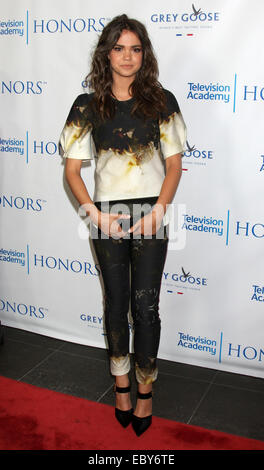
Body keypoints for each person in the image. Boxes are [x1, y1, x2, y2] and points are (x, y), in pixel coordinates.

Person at [59, 14, 186, 436]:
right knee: (115, 303)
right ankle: (121, 386)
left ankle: (146, 390)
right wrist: (93, 214)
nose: (127, 56)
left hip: (154, 213)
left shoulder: (162, 100)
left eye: (135, 48)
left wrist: (159, 211)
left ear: (143, 54)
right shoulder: (86, 105)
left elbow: (174, 164)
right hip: (105, 215)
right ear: (106, 53)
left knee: (146, 308)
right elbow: (73, 172)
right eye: (119, 48)